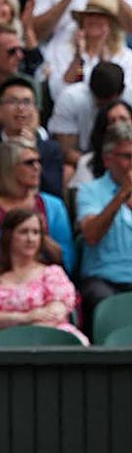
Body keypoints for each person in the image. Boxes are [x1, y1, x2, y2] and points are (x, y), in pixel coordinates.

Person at [0, 208, 87, 343]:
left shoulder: (52, 274)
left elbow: (55, 313)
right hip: (3, 344)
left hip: (51, 339)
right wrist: (26, 317)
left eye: (36, 232)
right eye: (23, 232)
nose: (30, 238)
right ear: (8, 236)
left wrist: (12, 325)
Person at [0, 140, 76, 270]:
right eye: (29, 163)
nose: (37, 167)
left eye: (38, 161)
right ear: (9, 167)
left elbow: (68, 258)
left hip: (46, 282)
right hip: (0, 280)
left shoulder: (54, 206)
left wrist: (42, 237)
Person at [0, 77, 66, 198]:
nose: (21, 108)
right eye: (13, 102)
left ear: (35, 110)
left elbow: (53, 192)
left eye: (27, 102)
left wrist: (32, 150)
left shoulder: (50, 150)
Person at [75, 120, 132, 328]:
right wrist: (121, 196)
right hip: (104, 282)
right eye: (127, 156)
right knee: (103, 300)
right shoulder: (90, 191)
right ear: (108, 159)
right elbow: (91, 234)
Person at [45, 0, 132, 102]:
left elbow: (125, 98)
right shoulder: (62, 49)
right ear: (82, 20)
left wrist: (104, 63)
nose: (94, 19)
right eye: (90, 14)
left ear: (112, 23)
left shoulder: (125, 57)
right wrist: (77, 58)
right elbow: (57, 93)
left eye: (101, 16)